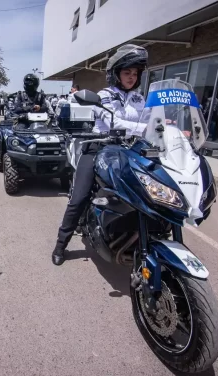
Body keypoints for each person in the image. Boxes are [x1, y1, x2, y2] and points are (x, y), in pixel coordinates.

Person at [52, 44, 148, 266]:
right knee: (79, 198)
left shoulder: (139, 99)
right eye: (127, 72)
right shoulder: (103, 96)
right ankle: (60, 244)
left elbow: (151, 118)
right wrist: (146, 126)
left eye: (135, 73)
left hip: (129, 150)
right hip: (99, 147)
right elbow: (115, 122)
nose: (132, 77)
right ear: (115, 74)